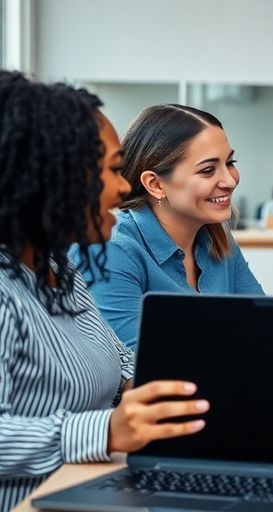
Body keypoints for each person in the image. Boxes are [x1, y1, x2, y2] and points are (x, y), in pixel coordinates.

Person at [0, 72, 206, 510]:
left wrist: (154, 385)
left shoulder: (59, 267)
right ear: (52, 177)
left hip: (92, 490)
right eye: (113, 170)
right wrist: (107, 430)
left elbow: (119, 361)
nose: (124, 187)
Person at [74, 104, 264, 350]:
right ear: (155, 184)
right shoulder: (113, 248)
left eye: (230, 162)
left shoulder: (219, 238)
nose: (230, 180)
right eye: (208, 170)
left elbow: (264, 332)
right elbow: (139, 366)